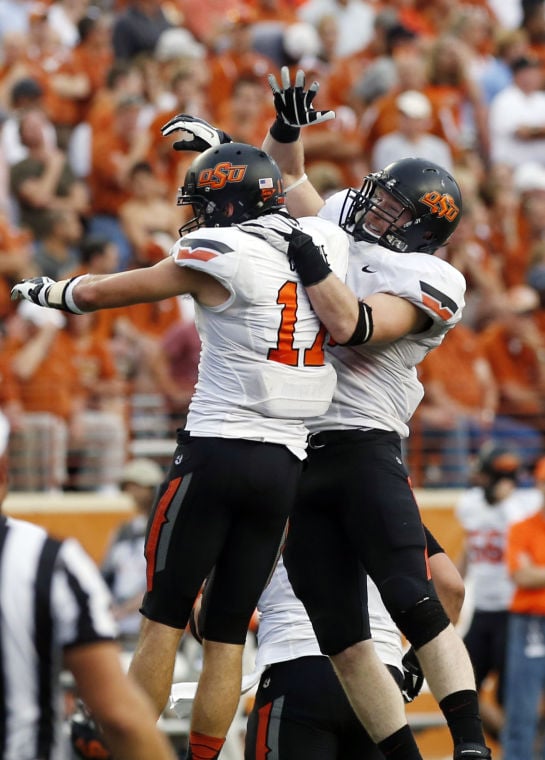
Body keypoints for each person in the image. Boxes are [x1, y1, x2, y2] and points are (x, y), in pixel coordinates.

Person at [161, 73, 489, 760]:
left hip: (364, 444)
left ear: (422, 230)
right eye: (380, 198)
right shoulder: (347, 223)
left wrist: (305, 252)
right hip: (296, 449)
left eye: (395, 210)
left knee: (413, 600)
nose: (373, 212)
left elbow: (352, 324)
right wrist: (273, 135)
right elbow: (289, 183)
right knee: (341, 636)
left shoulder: (432, 281)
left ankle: (468, 746)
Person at [11, 139, 349, 760]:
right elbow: (286, 197)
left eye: (204, 200)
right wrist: (228, 149)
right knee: (225, 634)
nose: (195, 212)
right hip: (284, 463)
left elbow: (111, 291)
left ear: (226, 203)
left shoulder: (221, 252)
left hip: (216, 451)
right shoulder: (317, 246)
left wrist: (51, 293)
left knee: (163, 618)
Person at [180, 526, 465, 760]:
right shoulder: (383, 498)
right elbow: (451, 589)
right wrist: (414, 665)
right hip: (380, 679)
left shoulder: (273, 498)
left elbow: (212, 623)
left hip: (297, 672)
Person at [0, 413, 178, 760]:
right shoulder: (47, 560)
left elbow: (159, 588)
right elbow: (120, 716)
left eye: (135, 485)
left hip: (131, 625)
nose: (130, 491)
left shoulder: (157, 533)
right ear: (5, 473)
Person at [455, 443, 540, 739]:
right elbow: (469, 548)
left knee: (510, 695)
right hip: (483, 611)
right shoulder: (470, 503)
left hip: (514, 613)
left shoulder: (524, 505)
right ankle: (520, 744)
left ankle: (522, 746)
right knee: (459, 686)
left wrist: (505, 501)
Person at [502, 455, 545, 759]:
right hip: (529, 622)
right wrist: (530, 574)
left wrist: (537, 571)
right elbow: (521, 575)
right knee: (522, 708)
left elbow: (531, 574)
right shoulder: (522, 528)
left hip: (530, 618)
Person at [101, 457, 165, 645]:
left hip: (149, 624)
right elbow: (105, 574)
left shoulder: (165, 530)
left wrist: (128, 608)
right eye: (128, 486)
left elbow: (162, 580)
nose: (131, 492)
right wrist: (110, 607)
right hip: (118, 626)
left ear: (152, 489)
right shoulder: (123, 530)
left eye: (136, 486)